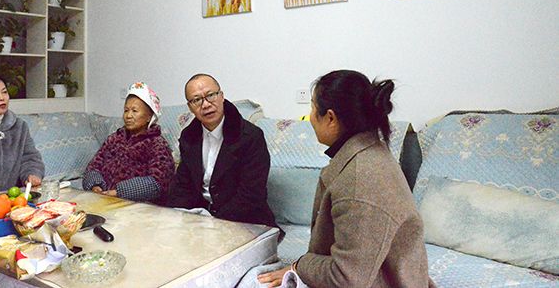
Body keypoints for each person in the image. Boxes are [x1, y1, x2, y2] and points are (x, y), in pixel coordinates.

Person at [258, 70, 434, 288]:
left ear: (330, 118)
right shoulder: (369, 152)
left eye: (312, 107)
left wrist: (300, 266)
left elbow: (347, 278)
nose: (310, 117)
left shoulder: (361, 180)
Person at [169, 74, 277, 228]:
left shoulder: (250, 137)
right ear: (190, 107)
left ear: (221, 96)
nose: (206, 105)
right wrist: (179, 216)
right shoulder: (188, 137)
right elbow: (182, 186)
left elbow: (251, 194)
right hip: (202, 219)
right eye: (197, 100)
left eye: (210, 95)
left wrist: (215, 222)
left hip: (245, 220)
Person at [83, 82, 175, 204]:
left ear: (149, 116)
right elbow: (93, 166)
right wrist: (95, 187)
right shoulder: (114, 139)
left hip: (139, 206)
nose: (128, 116)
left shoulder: (157, 144)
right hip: (104, 200)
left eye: (134, 111)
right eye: (126, 110)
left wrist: (118, 192)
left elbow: (158, 183)